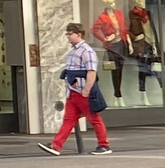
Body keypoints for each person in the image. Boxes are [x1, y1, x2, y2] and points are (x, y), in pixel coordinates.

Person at [40, 23, 111, 155]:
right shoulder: (75, 51)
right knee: (69, 119)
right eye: (67, 33)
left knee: (94, 118)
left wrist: (87, 90)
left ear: (78, 34)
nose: (67, 37)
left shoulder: (87, 51)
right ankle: (56, 145)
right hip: (73, 92)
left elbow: (91, 72)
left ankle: (104, 145)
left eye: (70, 34)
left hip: (82, 92)